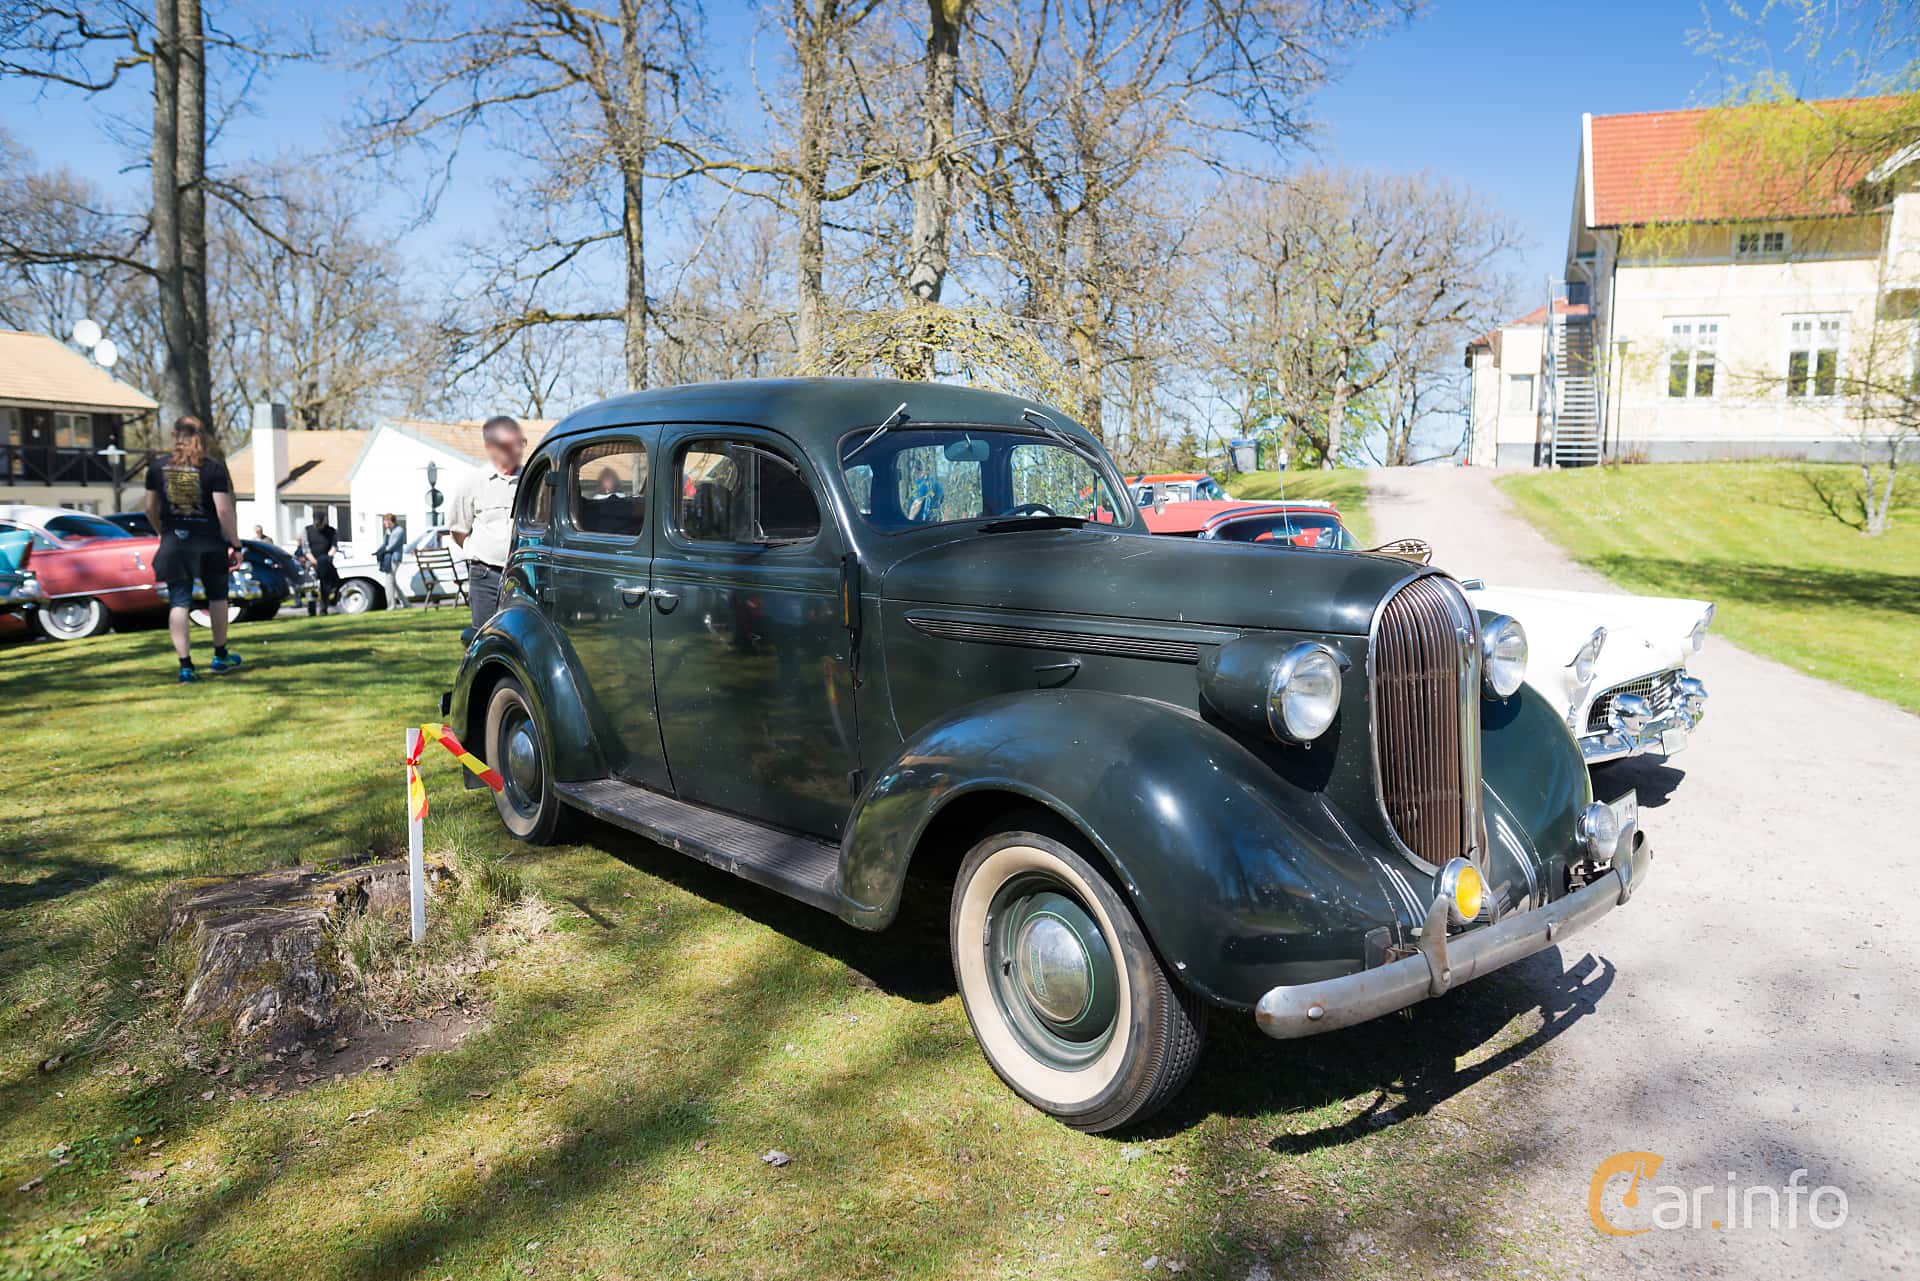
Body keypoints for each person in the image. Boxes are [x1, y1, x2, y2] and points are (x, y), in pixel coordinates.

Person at [143, 416, 241, 683]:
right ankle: (220, 656)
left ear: (175, 435)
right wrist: (235, 543)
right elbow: (223, 510)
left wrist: (161, 531)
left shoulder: (156, 467)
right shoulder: (213, 469)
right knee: (218, 598)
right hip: (209, 542)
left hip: (175, 542)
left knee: (179, 602)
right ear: (202, 436)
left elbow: (150, 508)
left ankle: (186, 666)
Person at [448, 415, 524, 627]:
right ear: (490, 447)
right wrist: (484, 552)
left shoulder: (531, 478)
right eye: (510, 445)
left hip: (524, 575)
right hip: (485, 575)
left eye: (521, 443)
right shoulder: (472, 482)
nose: (517, 450)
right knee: (486, 635)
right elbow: (458, 530)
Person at [302, 510, 340, 614]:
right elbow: (305, 549)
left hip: (325, 561)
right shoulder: (307, 530)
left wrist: (327, 558)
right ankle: (312, 609)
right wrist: (314, 561)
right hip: (311, 562)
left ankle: (324, 608)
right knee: (311, 586)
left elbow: (334, 546)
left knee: (325, 586)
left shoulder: (331, 531)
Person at [375, 513, 410, 609]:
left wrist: (381, 551)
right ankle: (405, 603)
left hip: (394, 559)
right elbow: (384, 543)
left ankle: (391, 605)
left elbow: (391, 546)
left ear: (390, 521)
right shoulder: (389, 531)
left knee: (388, 583)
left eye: (385, 521)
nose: (384, 524)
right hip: (389, 559)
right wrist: (387, 534)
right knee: (392, 582)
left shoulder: (398, 531)